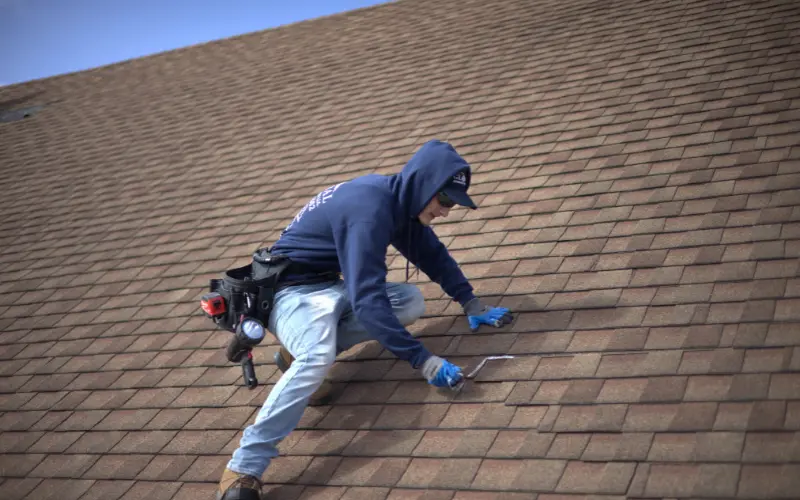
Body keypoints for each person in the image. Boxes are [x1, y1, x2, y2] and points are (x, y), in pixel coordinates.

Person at [216, 139, 513, 500]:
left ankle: (296, 354)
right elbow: (368, 301)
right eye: (445, 200)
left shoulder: (400, 202)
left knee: (408, 301)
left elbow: (430, 254)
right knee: (318, 356)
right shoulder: (371, 209)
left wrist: (471, 302)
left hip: (327, 285)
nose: (447, 211)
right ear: (425, 186)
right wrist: (424, 361)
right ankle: (245, 467)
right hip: (289, 294)